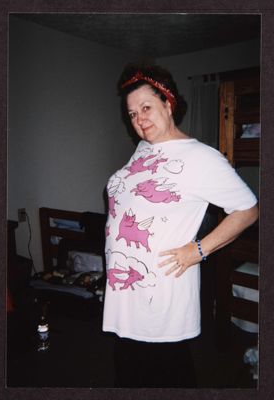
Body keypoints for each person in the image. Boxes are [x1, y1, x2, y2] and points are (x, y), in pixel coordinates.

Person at [102, 63, 258, 388]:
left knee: (167, 377)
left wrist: (198, 250)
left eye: (146, 107)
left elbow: (247, 210)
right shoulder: (142, 150)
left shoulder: (201, 157)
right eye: (132, 114)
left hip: (163, 297)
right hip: (126, 296)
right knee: (127, 375)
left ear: (168, 104)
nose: (139, 119)